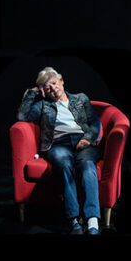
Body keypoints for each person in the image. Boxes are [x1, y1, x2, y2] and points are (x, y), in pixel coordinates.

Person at [16, 67, 103, 235]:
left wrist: (88, 138)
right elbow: (22, 116)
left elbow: (95, 123)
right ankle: (74, 220)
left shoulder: (80, 98)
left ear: (61, 81)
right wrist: (33, 92)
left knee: (88, 167)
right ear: (44, 91)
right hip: (58, 144)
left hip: (82, 140)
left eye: (54, 83)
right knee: (63, 164)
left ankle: (92, 220)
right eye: (47, 87)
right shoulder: (42, 105)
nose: (53, 88)